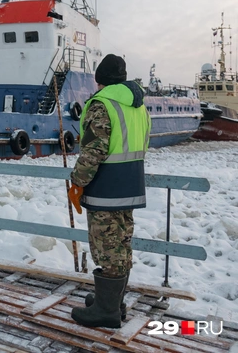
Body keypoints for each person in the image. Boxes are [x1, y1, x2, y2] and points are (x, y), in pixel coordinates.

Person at [67, 54, 151, 328]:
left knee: (106, 248)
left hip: (106, 187)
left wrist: (77, 182)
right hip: (130, 184)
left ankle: (106, 312)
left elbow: (94, 149)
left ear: (98, 79)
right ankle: (114, 302)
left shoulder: (102, 104)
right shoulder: (137, 106)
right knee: (122, 244)